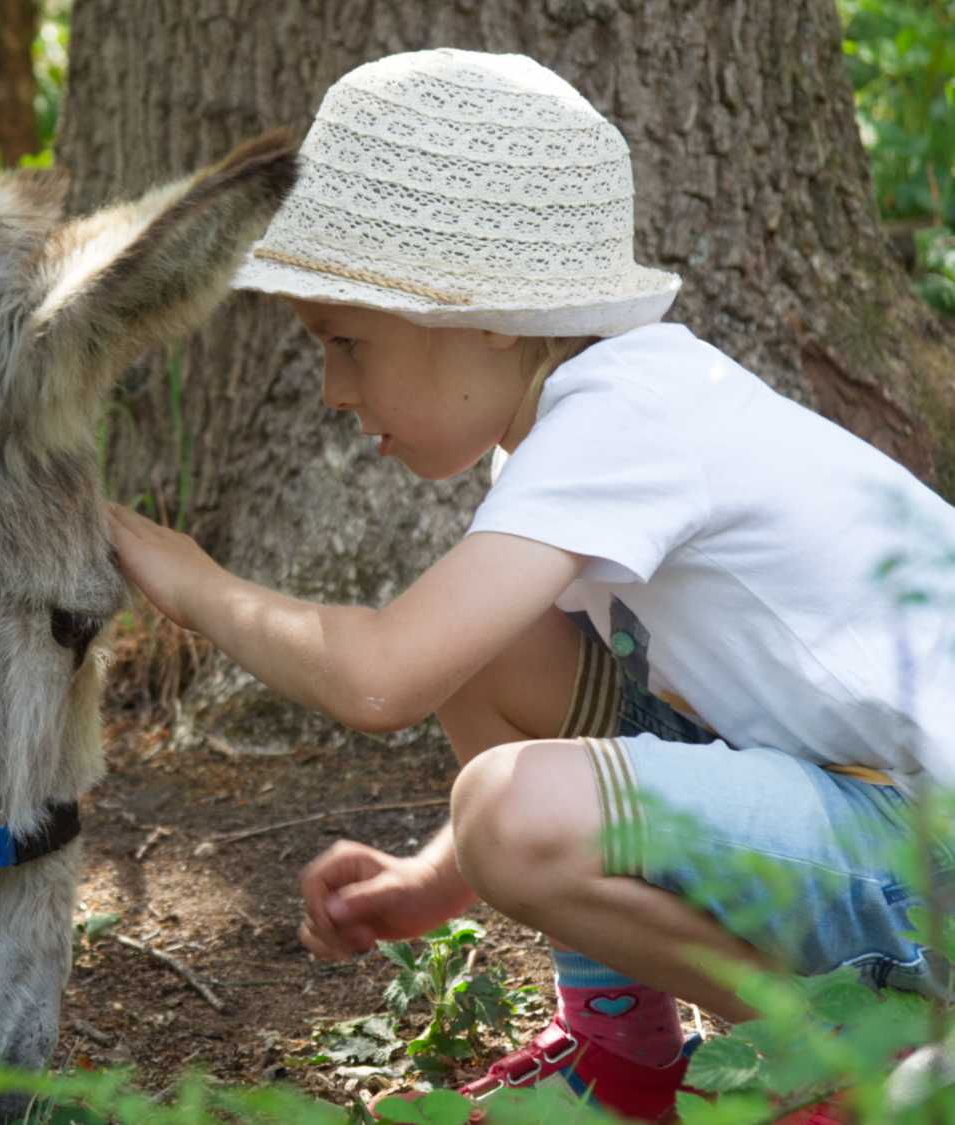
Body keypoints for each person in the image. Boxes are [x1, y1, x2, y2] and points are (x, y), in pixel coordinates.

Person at [105, 49, 955, 1121]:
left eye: (349, 343)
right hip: (850, 807)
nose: (331, 388)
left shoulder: (625, 418)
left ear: (491, 312)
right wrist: (430, 882)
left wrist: (194, 586)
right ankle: (622, 1050)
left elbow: (380, 682)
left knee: (508, 800)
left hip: (926, 847)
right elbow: (489, 694)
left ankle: (840, 1058)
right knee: (493, 650)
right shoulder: (585, 423)